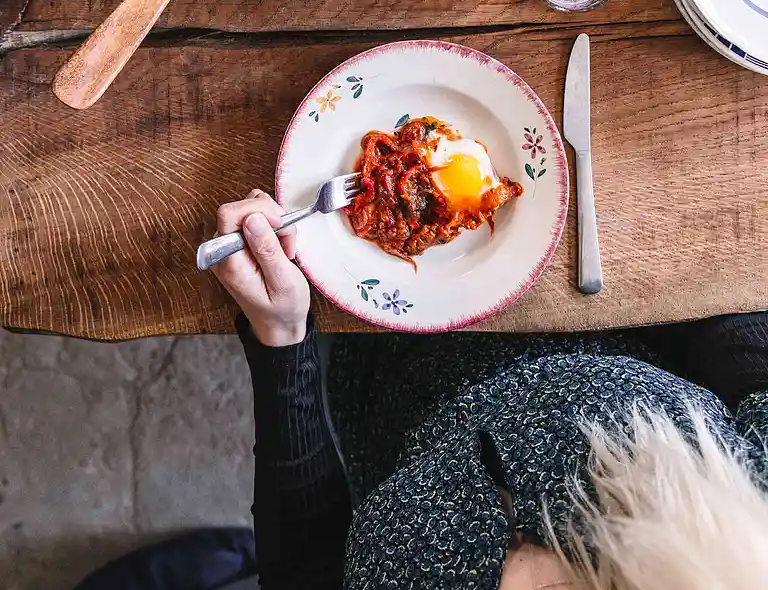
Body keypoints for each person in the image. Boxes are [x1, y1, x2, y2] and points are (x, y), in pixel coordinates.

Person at [210, 189, 768, 590]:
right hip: (597, 288)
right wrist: (646, 241)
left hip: (371, 372)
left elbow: (305, 564)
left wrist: (281, 338)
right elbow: (736, 341)